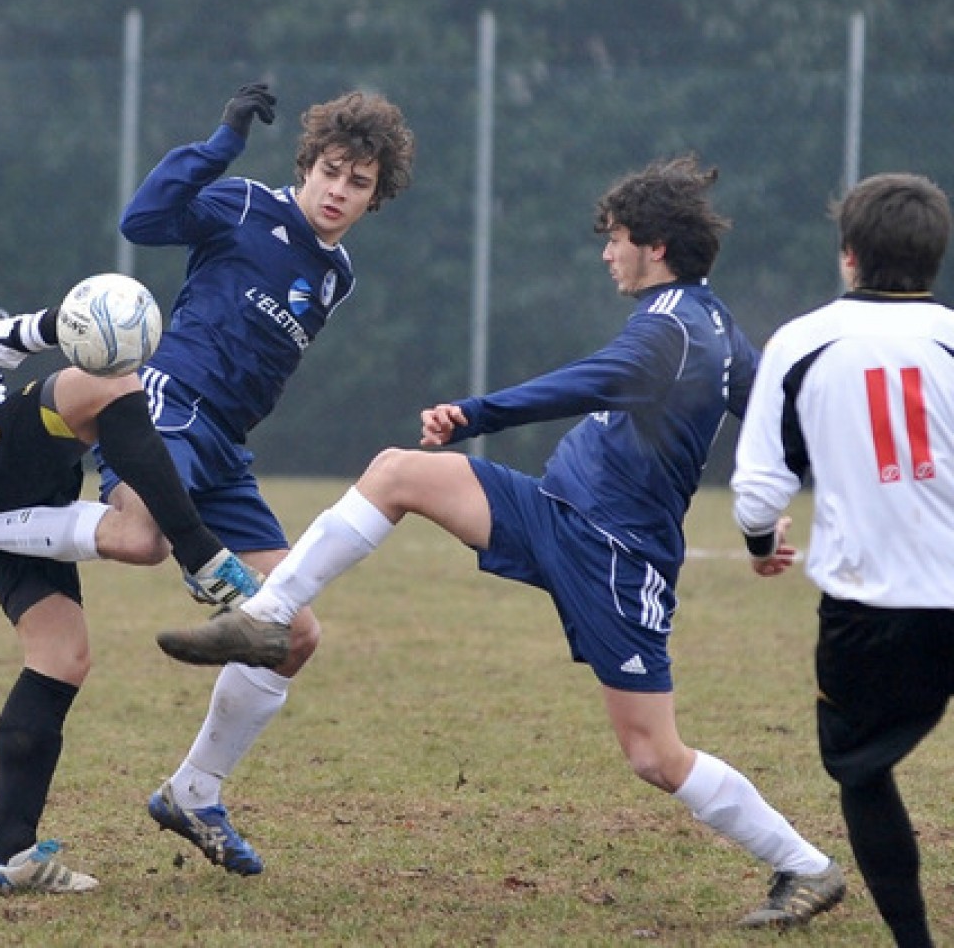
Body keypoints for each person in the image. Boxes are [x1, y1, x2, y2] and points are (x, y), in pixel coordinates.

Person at [158, 155, 846, 929]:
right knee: (397, 474)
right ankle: (269, 614)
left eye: (615, 239)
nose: (605, 253)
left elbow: (591, 380)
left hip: (614, 558)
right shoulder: (706, 318)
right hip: (552, 512)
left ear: (653, 244)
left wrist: (474, 413)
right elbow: (770, 418)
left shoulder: (674, 332)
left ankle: (807, 867)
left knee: (655, 756)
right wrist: (761, 525)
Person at [0, 82, 416, 875]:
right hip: (168, 407)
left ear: (375, 200)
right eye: (332, 172)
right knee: (139, 537)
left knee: (292, 634)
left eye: (359, 184)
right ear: (306, 165)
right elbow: (142, 221)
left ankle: (194, 792)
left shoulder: (339, 275)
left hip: (227, 452)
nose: (340, 192)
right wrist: (219, 146)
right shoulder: (241, 204)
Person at [0, 96, 261, 894]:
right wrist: (53, 326)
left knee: (66, 647)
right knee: (105, 382)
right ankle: (210, 563)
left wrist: (36, 330)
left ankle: (7, 856)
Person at [731, 172, 954, 948]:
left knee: (861, 768)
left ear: (848, 255)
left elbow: (759, 490)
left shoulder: (800, 342)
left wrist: (763, 546)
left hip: (872, 606)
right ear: (935, 259)